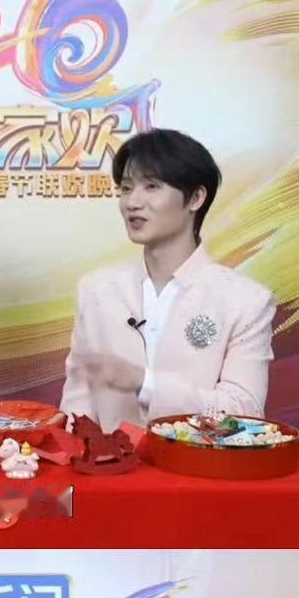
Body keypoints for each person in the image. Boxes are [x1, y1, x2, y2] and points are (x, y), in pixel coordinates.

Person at [61, 128, 276, 430]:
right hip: (107, 459)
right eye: (126, 188)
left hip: (196, 459)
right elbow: (76, 408)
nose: (132, 202)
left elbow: (244, 412)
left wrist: (145, 383)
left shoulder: (246, 301)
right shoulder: (97, 290)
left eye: (151, 186)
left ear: (196, 198)